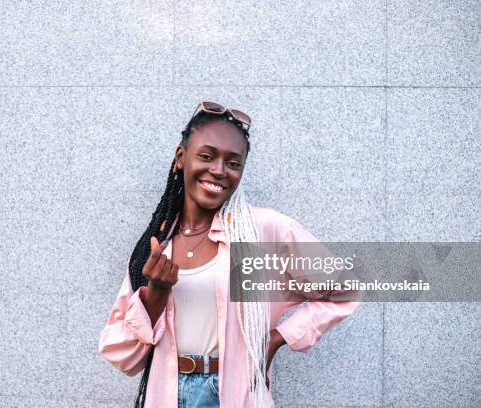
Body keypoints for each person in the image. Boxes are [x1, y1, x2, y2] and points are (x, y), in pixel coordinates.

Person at [98, 101, 361, 407]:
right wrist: (155, 293)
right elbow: (120, 353)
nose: (219, 171)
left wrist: (277, 339)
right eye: (207, 156)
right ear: (181, 158)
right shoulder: (156, 243)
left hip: (234, 393)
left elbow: (345, 286)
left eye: (233, 163)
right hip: (165, 394)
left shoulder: (264, 231)